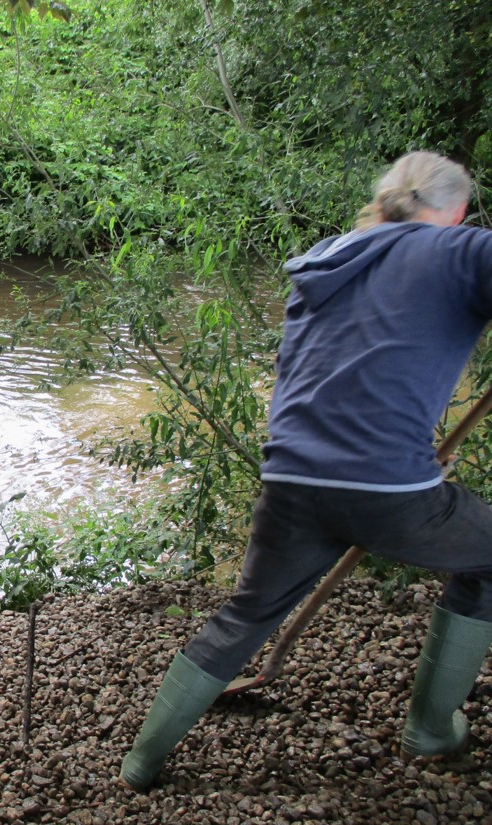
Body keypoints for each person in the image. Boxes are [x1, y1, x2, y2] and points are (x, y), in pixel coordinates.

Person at [121, 151, 492, 791]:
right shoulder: (462, 252)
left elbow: (333, 370)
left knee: (247, 613)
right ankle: (431, 729)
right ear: (457, 212)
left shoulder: (330, 257)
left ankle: (141, 762)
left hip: (291, 478)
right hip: (388, 491)